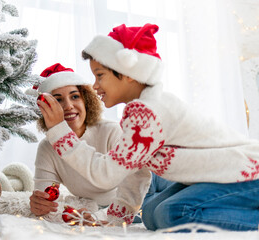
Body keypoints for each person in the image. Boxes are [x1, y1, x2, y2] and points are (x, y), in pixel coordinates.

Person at [36, 23, 259, 231]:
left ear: (128, 74)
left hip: (248, 175)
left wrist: (59, 131)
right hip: (216, 177)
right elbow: (135, 173)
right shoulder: (139, 112)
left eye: (100, 75)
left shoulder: (149, 112)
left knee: (173, 213)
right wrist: (114, 219)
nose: (95, 86)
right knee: (151, 214)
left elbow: (105, 175)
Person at [29, 63, 122, 217]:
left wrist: (100, 216)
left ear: (86, 100)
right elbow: (44, 194)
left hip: (146, 194)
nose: (69, 106)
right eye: (58, 100)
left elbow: (133, 192)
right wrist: (40, 204)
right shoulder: (47, 148)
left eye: (75, 96)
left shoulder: (111, 131)